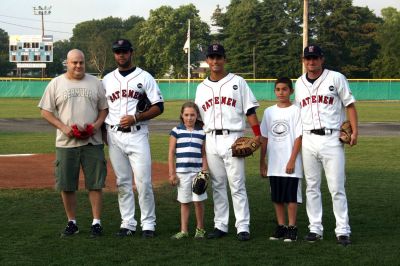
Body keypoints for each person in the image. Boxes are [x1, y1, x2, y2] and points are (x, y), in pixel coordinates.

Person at [38, 49, 108, 238]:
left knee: (95, 184)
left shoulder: (96, 83)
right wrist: (63, 127)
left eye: (81, 62)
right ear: (67, 63)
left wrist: (96, 126)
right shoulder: (56, 83)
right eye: (74, 62)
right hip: (66, 143)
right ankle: (72, 222)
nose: (78, 66)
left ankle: (96, 222)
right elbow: (45, 111)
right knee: (67, 185)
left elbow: (104, 110)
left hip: (92, 142)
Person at [194, 44, 261, 241]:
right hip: (211, 138)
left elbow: (249, 110)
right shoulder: (201, 88)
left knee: (237, 184)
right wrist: (201, 144)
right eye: (212, 57)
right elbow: (199, 119)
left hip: (233, 138)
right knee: (218, 184)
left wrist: (257, 135)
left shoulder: (238, 82)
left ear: (225, 59)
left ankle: (243, 226)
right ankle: (221, 225)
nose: (215, 61)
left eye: (219, 57)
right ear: (207, 60)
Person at [295, 44, 358, 246]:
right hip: (308, 139)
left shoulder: (336, 78)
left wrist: (355, 130)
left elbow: (349, 105)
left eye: (315, 58)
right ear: (303, 61)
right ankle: (315, 228)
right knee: (311, 187)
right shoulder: (299, 83)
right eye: (307, 59)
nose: (311, 62)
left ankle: (343, 230)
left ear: (322, 59)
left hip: (332, 139)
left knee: (336, 187)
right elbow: (298, 113)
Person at [102, 39, 164, 238]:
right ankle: (128, 223)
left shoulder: (145, 77)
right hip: (114, 135)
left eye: (124, 51)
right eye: (117, 51)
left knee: (144, 182)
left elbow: (159, 106)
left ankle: (148, 224)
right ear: (115, 54)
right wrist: (104, 132)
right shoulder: (107, 80)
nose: (121, 54)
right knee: (123, 182)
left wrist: (137, 117)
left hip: (137, 134)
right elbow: (102, 108)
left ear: (131, 53)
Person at [259, 77, 303, 242]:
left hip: (291, 162)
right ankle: (281, 226)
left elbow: (299, 137)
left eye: (284, 89)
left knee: (291, 197)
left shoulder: (296, 110)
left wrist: (292, 160)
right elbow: (264, 138)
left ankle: (292, 227)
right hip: (274, 162)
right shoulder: (269, 111)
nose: (281, 92)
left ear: (291, 91)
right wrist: (262, 161)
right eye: (278, 89)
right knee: (277, 197)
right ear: (274, 91)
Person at [168, 102, 208, 239]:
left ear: (197, 116)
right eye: (186, 115)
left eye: (192, 115)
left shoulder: (202, 132)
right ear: (181, 115)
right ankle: (184, 231)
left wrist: (204, 171)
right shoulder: (177, 130)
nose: (189, 118)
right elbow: (171, 152)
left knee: (198, 201)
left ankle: (200, 229)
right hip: (182, 173)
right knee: (185, 202)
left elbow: (204, 154)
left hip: (197, 173)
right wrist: (172, 173)